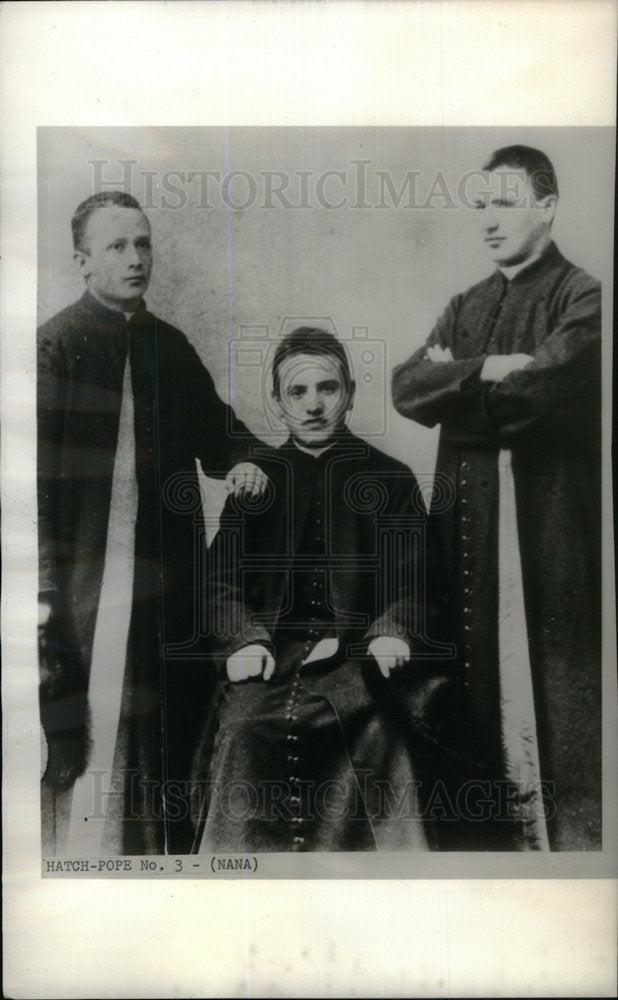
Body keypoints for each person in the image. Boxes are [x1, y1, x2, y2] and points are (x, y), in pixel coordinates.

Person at [38, 190, 267, 855]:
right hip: (83, 579)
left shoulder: (170, 347)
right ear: (82, 261)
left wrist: (248, 463)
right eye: (117, 246)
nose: (136, 258)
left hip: (165, 578)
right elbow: (30, 488)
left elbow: (227, 436)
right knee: (87, 716)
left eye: (143, 243)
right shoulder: (54, 348)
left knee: (166, 720)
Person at [392, 145, 602, 850]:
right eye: (479, 205)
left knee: (561, 696)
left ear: (547, 206)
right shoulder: (466, 305)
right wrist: (489, 367)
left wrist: (462, 387)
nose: (487, 220)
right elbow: (404, 388)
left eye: (505, 202)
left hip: (551, 532)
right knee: (470, 684)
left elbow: (539, 397)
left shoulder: (584, 296)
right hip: (469, 526)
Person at [191, 327, 451, 853]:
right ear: (276, 402)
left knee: (382, 731)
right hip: (268, 655)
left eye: (327, 388)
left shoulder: (390, 479)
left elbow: (417, 577)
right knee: (244, 731)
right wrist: (241, 639)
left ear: (350, 392)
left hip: (358, 656)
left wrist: (393, 631)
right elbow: (218, 583)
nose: (313, 405)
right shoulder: (257, 480)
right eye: (297, 392)